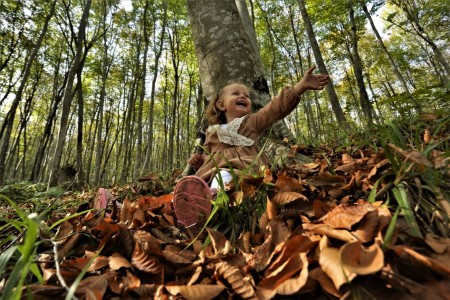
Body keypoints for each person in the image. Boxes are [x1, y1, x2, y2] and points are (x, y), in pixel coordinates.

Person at [173, 66, 329, 231]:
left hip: (245, 170)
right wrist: (197, 162)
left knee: (225, 176)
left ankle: (214, 203)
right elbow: (207, 158)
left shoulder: (251, 122)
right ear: (220, 104)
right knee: (215, 177)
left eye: (246, 96)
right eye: (236, 94)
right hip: (214, 172)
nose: (243, 97)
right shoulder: (212, 133)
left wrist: (300, 87)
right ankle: (194, 210)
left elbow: (274, 109)